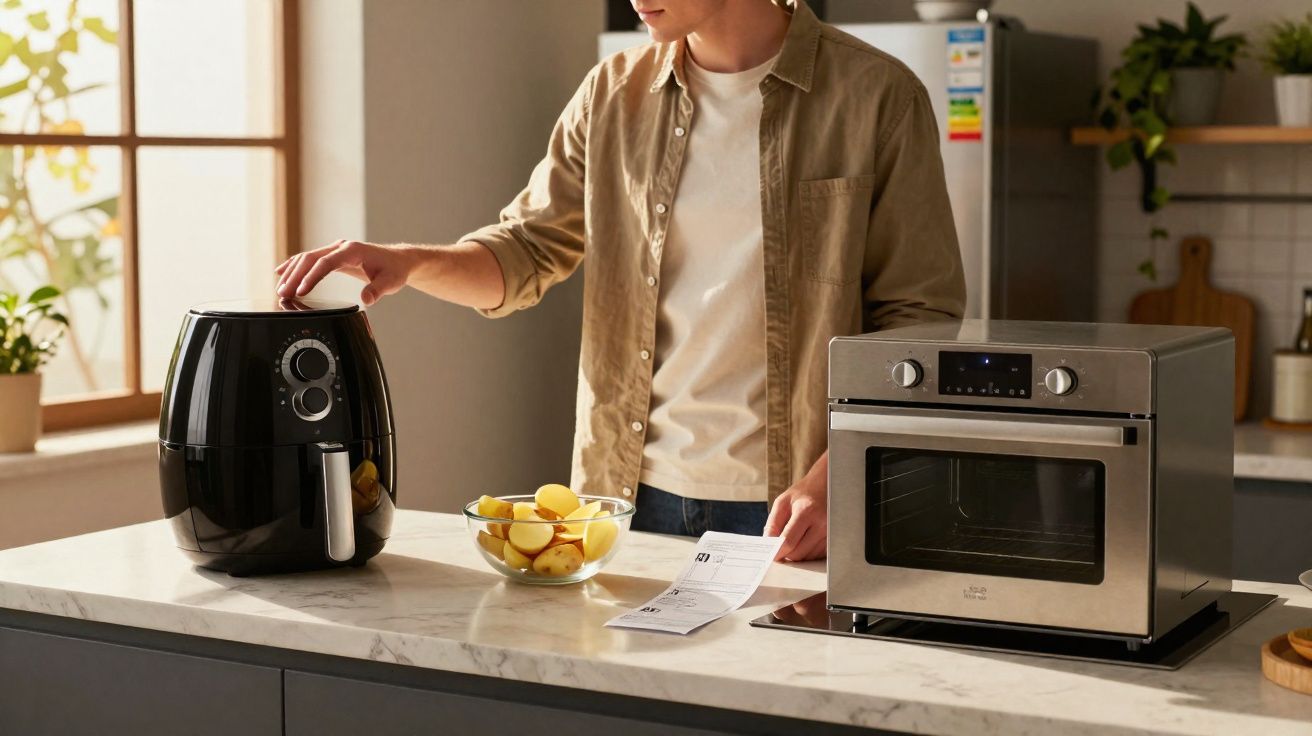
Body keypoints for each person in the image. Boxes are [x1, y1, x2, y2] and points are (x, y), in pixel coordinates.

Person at [274, 0, 965, 562]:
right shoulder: (612, 94)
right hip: (628, 501)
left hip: (797, 505)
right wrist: (408, 263)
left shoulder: (877, 96)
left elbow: (918, 320)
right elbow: (525, 253)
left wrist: (838, 475)